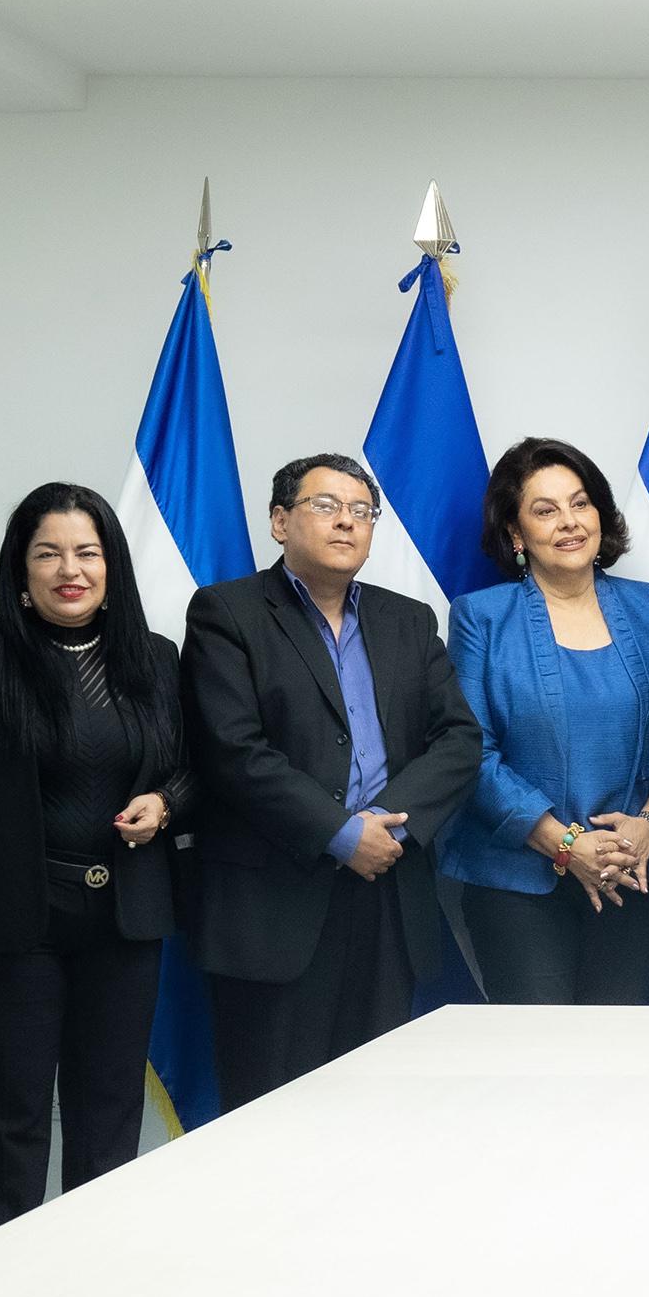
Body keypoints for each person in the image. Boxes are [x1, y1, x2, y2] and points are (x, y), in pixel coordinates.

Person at [0, 486, 191, 1236]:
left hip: (124, 919)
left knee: (108, 1113)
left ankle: (92, 1282)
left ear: (111, 565)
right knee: (13, 1117)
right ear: (21, 567)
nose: (70, 569)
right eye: (49, 553)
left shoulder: (156, 660)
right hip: (13, 921)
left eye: (87, 553)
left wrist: (164, 804)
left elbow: (195, 769)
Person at [182, 454, 480, 1107]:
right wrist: (341, 832)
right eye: (326, 506)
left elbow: (459, 739)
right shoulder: (226, 614)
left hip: (388, 891)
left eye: (361, 511)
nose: (346, 522)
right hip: (275, 898)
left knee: (373, 1106)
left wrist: (387, 827)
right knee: (270, 1111)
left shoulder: (409, 620)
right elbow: (233, 751)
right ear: (280, 521)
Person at [442, 438, 649, 1003]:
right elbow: (470, 752)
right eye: (545, 510)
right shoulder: (480, 617)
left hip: (634, 870)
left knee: (617, 1060)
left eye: (581, 504)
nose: (569, 523)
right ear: (514, 533)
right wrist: (563, 844)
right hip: (517, 881)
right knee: (536, 1065)